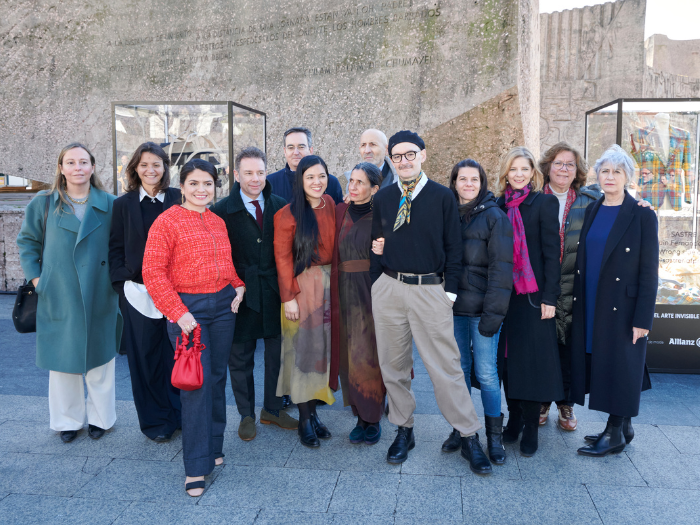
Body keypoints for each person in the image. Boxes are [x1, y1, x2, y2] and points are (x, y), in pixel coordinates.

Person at [370, 130, 489, 474]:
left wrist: (447, 292)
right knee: (393, 366)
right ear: (391, 160)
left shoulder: (441, 197)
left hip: (430, 291)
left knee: (446, 368)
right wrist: (378, 280)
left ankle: (468, 435)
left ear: (423, 154)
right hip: (390, 288)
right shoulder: (386, 197)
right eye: (397, 156)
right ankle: (403, 429)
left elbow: (454, 246)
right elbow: (377, 240)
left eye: (410, 154)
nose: (404, 161)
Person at [143, 159, 245, 496]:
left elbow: (227, 264)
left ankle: (214, 447)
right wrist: (178, 312)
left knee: (216, 379)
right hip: (189, 310)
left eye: (208, 184)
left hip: (223, 308)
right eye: (195, 184)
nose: (202, 190)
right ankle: (196, 468)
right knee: (196, 386)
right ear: (182, 185)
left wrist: (238, 285)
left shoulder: (216, 221)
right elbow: (153, 273)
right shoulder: (166, 221)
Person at [17, 143, 121, 443]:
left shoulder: (111, 203)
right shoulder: (44, 203)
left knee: (100, 359)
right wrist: (39, 281)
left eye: (83, 162)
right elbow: (27, 244)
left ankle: (102, 418)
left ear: (92, 167)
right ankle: (67, 421)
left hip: (99, 290)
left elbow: (119, 246)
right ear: (61, 168)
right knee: (63, 360)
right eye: (71, 162)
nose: (78, 168)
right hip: (58, 291)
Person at [570, 145, 659, 457]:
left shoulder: (642, 215)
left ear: (627, 177)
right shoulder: (595, 208)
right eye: (605, 171)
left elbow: (650, 271)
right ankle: (623, 426)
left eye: (616, 172)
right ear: (598, 175)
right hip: (593, 299)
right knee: (605, 361)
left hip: (623, 305)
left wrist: (642, 320)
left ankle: (615, 433)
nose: (609, 177)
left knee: (621, 364)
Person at [211, 147, 298, 441]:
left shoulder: (280, 205)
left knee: (277, 354)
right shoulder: (220, 211)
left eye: (260, 172)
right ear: (237, 175)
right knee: (240, 358)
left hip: (274, 290)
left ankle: (272, 409)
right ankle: (246, 414)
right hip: (239, 294)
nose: (255, 178)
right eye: (248, 173)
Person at [440, 159, 513, 465]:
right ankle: (462, 429)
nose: (468, 184)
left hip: (483, 312)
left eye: (474, 179)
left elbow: (502, 270)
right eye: (462, 179)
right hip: (452, 310)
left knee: (486, 374)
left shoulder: (495, 217)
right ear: (454, 182)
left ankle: (494, 438)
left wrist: (493, 316)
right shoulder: (445, 216)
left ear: (482, 183)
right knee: (458, 374)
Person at [109, 142, 182, 443]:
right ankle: (155, 422)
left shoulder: (179, 199)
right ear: (135, 168)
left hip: (176, 292)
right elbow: (115, 247)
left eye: (156, 164)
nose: (150, 170)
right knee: (144, 358)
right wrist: (121, 286)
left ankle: (179, 415)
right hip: (137, 293)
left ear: (165, 167)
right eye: (144, 165)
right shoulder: (123, 205)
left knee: (175, 356)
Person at [496, 146, 562, 457]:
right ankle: (515, 418)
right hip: (504, 297)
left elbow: (552, 255)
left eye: (524, 169)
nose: (519, 174)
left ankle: (531, 427)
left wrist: (551, 297)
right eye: (513, 170)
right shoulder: (497, 205)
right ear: (505, 174)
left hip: (533, 298)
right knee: (508, 363)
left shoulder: (544, 203)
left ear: (533, 172)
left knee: (532, 363)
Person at [535, 142, 601, 431]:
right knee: (542, 345)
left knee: (568, 347)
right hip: (542, 286)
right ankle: (541, 400)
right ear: (547, 167)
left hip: (576, 286)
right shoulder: (533, 198)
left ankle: (565, 404)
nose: (564, 169)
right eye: (559, 163)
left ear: (578, 171)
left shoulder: (590, 201)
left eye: (570, 164)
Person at [274, 155, 336, 448]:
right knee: (300, 354)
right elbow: (282, 258)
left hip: (328, 285)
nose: (317, 182)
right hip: (300, 288)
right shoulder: (287, 214)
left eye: (321, 176)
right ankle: (304, 419)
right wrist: (289, 298)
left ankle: (313, 414)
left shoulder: (331, 206)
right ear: (300, 180)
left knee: (320, 354)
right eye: (310, 176)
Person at [331, 162, 385, 445]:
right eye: (351, 180)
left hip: (371, 289)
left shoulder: (382, 215)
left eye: (360, 182)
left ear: (375, 188)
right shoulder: (339, 211)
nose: (352, 186)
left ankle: (372, 417)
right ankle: (358, 413)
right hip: (342, 291)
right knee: (348, 355)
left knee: (368, 354)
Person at [267, 127, 343, 204]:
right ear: (285, 151)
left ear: (310, 150)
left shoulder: (331, 183)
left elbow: (341, 214)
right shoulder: (270, 183)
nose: (296, 152)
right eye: (291, 147)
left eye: (301, 147)